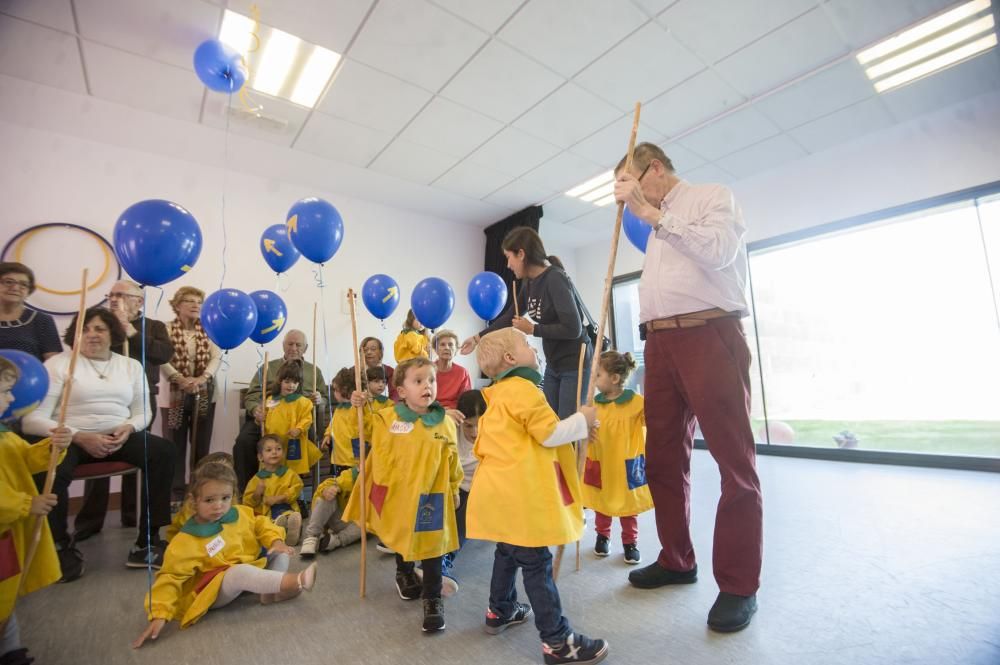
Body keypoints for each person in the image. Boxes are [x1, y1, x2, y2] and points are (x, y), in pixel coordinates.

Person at [613, 142, 762, 632]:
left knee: (734, 464)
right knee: (661, 460)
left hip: (710, 334)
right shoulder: (654, 226)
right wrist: (648, 215)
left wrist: (651, 213)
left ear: (653, 169)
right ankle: (677, 559)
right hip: (658, 345)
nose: (625, 194)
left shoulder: (710, 197)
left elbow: (719, 252)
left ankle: (740, 585)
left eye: (628, 181)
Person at [467, 328, 607, 665]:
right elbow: (550, 433)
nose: (535, 349)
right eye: (528, 345)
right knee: (536, 563)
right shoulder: (524, 389)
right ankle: (558, 642)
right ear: (512, 359)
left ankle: (499, 610)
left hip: (499, 491)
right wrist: (583, 420)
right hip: (519, 494)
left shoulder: (499, 393)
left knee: (507, 549)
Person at [22, 308, 175, 580]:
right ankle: (59, 546)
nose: (92, 334)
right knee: (48, 466)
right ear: (75, 334)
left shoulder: (130, 365)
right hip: (71, 438)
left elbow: (142, 411)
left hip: (118, 435)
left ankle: (148, 540)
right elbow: (33, 419)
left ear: (112, 334)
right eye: (85, 329)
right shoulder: (58, 364)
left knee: (163, 452)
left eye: (99, 329)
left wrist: (129, 427)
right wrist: (78, 435)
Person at [132, 462, 317, 649]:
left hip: (248, 565)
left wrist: (275, 541)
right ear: (194, 500)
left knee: (279, 552)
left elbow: (261, 523)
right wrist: (160, 614)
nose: (218, 506)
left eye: (225, 498)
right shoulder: (185, 541)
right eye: (209, 500)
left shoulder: (240, 513)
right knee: (239, 573)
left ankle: (270, 592)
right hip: (213, 589)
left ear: (233, 496)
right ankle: (295, 581)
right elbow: (170, 577)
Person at [344, 357, 462, 632]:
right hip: (398, 492)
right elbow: (357, 431)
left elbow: (452, 459)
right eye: (418, 381)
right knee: (401, 535)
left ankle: (432, 598)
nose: (427, 386)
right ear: (401, 389)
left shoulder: (444, 423)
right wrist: (356, 407)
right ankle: (404, 572)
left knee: (432, 547)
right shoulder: (387, 417)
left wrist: (455, 487)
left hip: (431, 496)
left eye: (431, 380)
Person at [74, 280, 175, 540]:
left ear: (139, 301)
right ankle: (90, 520)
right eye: (112, 294)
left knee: (137, 450)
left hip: (141, 398)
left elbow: (163, 354)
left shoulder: (153, 326)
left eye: (122, 295)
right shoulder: (102, 325)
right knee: (99, 450)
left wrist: (130, 330)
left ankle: (133, 515)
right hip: (103, 397)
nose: (115, 299)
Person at [460, 228, 591, 419]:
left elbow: (574, 328)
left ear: (521, 254)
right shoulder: (529, 283)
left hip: (574, 364)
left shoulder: (555, 278)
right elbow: (509, 317)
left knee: (569, 428)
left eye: (509, 257)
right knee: (551, 422)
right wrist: (477, 338)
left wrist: (533, 329)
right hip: (554, 364)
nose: (508, 264)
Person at [0, 356, 71, 665]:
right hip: (7, 521)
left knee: (6, 596)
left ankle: (11, 649)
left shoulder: (5, 435)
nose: (12, 398)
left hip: (7, 532)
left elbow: (26, 460)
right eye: (4, 391)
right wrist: (27, 504)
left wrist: (54, 446)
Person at [583, 351, 652, 565]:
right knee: (603, 501)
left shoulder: (635, 402)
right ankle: (602, 535)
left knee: (627, 504)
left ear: (614, 378)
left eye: (598, 375)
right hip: (603, 461)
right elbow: (584, 427)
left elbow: (651, 422)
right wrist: (585, 426)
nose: (593, 380)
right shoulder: (595, 403)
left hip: (625, 463)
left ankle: (630, 542)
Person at [233, 330, 325, 490]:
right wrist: (255, 409)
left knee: (305, 444)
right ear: (283, 345)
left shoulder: (314, 371)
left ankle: (295, 492)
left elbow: (325, 397)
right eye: (290, 344)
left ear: (306, 348)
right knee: (243, 442)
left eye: (298, 345)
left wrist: (320, 399)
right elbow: (252, 395)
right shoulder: (268, 367)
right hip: (268, 419)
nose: (294, 348)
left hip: (300, 422)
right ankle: (248, 491)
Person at [158, 287, 222, 502]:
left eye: (199, 301)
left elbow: (216, 357)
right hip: (174, 395)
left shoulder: (210, 329)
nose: (196, 305)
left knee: (201, 445)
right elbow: (161, 358)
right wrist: (179, 379)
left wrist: (202, 378)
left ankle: (199, 491)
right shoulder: (165, 329)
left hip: (204, 393)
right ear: (177, 305)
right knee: (174, 446)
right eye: (189, 301)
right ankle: (176, 494)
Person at [441, 389, 484, 588]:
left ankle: (444, 559)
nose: (474, 432)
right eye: (468, 426)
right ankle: (429, 558)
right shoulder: (449, 429)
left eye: (479, 425)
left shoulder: (495, 433)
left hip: (480, 490)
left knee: (463, 515)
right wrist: (440, 416)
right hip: (453, 486)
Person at [261, 360, 321, 477]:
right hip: (274, 443)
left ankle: (296, 493)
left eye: (295, 382)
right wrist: (260, 418)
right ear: (280, 381)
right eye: (287, 382)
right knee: (275, 470)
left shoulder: (303, 402)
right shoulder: (271, 400)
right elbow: (264, 418)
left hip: (293, 441)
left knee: (293, 471)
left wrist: (299, 428)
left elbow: (307, 419)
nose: (291, 385)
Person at [243, 435, 303, 546]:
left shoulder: (289, 473)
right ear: (261, 457)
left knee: (290, 516)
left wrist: (281, 497)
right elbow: (247, 502)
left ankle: (290, 530)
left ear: (283, 453)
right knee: (266, 524)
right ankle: (280, 529)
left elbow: (297, 487)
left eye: (278, 449)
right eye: (269, 450)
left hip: (286, 507)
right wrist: (257, 493)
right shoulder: (257, 479)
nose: (274, 452)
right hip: (266, 513)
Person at [164, 452, 236, 542]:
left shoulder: (232, 500)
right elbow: (189, 534)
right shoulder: (192, 507)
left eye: (226, 473)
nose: (221, 477)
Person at [0, 262, 62, 361]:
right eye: (8, 282)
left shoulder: (42, 320)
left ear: (29, 291)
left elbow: (53, 363)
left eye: (23, 284)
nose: (15, 288)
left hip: (29, 376)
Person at [298, 466, 362, 558]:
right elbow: (328, 484)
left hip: (353, 525)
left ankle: (333, 541)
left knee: (367, 525)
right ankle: (312, 536)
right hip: (338, 516)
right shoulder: (351, 475)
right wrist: (328, 490)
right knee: (327, 497)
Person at [431, 330, 471, 410]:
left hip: (454, 412)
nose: (446, 348)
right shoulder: (427, 370)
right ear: (436, 350)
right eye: (442, 345)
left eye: (450, 345)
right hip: (431, 411)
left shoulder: (462, 372)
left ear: (456, 350)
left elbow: (465, 401)